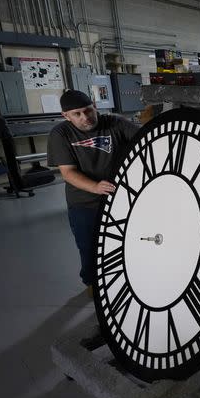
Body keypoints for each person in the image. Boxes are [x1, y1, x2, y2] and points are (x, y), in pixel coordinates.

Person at [47, 90, 140, 292]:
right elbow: (68, 173)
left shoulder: (116, 123)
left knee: (126, 243)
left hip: (120, 199)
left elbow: (146, 140)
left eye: (88, 111)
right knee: (89, 247)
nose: (85, 118)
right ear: (66, 116)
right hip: (84, 202)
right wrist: (95, 187)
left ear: (95, 105)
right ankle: (91, 282)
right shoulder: (61, 134)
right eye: (77, 114)